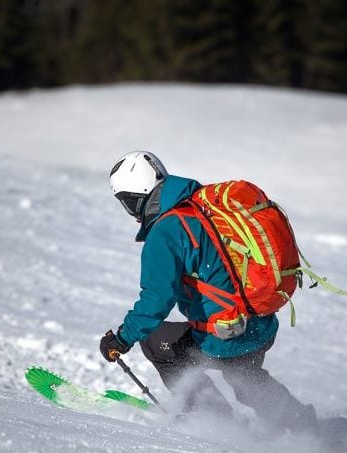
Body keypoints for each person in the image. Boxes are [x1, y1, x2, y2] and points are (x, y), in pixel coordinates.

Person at [98, 151, 318, 434]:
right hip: (260, 321)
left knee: (157, 342)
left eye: (126, 202)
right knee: (245, 378)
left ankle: (215, 423)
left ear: (135, 198)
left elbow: (156, 299)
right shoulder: (201, 207)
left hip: (226, 335)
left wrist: (122, 339)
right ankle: (306, 428)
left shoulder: (164, 233)